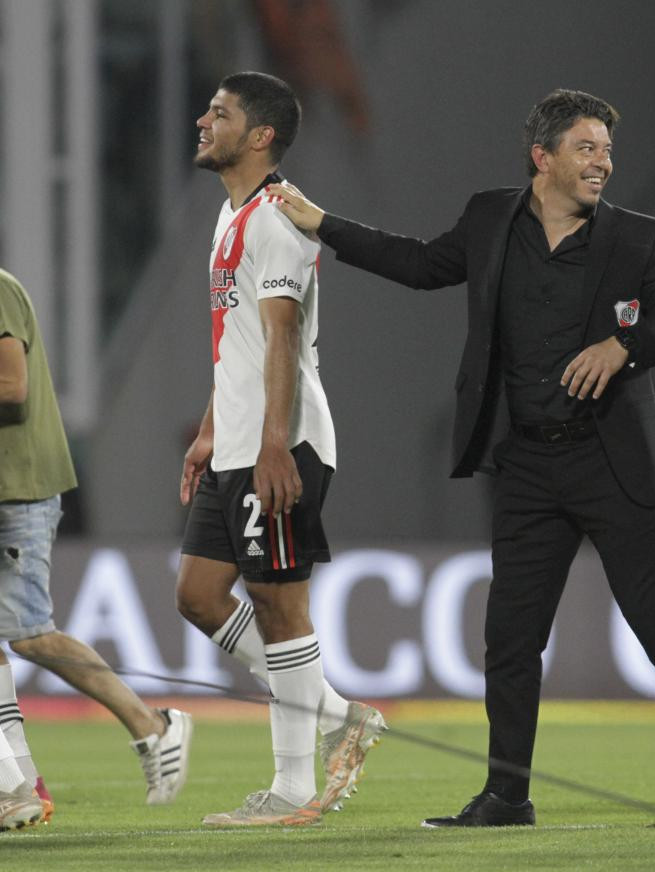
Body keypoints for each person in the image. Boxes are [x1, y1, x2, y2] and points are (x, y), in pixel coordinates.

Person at [269, 88, 655, 828]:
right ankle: (507, 795)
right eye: (586, 149)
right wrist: (323, 224)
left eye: (606, 150)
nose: (604, 163)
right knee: (510, 637)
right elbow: (421, 264)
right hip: (527, 464)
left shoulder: (640, 238)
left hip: (612, 460)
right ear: (544, 157)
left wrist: (623, 345)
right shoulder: (490, 217)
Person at [178, 71, 384, 828]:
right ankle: (335, 710)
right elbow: (238, 342)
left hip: (281, 441)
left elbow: (283, 335)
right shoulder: (229, 215)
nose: (203, 120)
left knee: (277, 606)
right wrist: (209, 429)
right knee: (197, 596)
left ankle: (293, 788)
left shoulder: (276, 219)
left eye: (220, 113)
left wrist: (274, 448)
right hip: (235, 439)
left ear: (260, 136)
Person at [0, 270, 192, 830]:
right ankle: (17, 784)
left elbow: (13, 388)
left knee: (32, 634)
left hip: (18, 488)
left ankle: (151, 727)